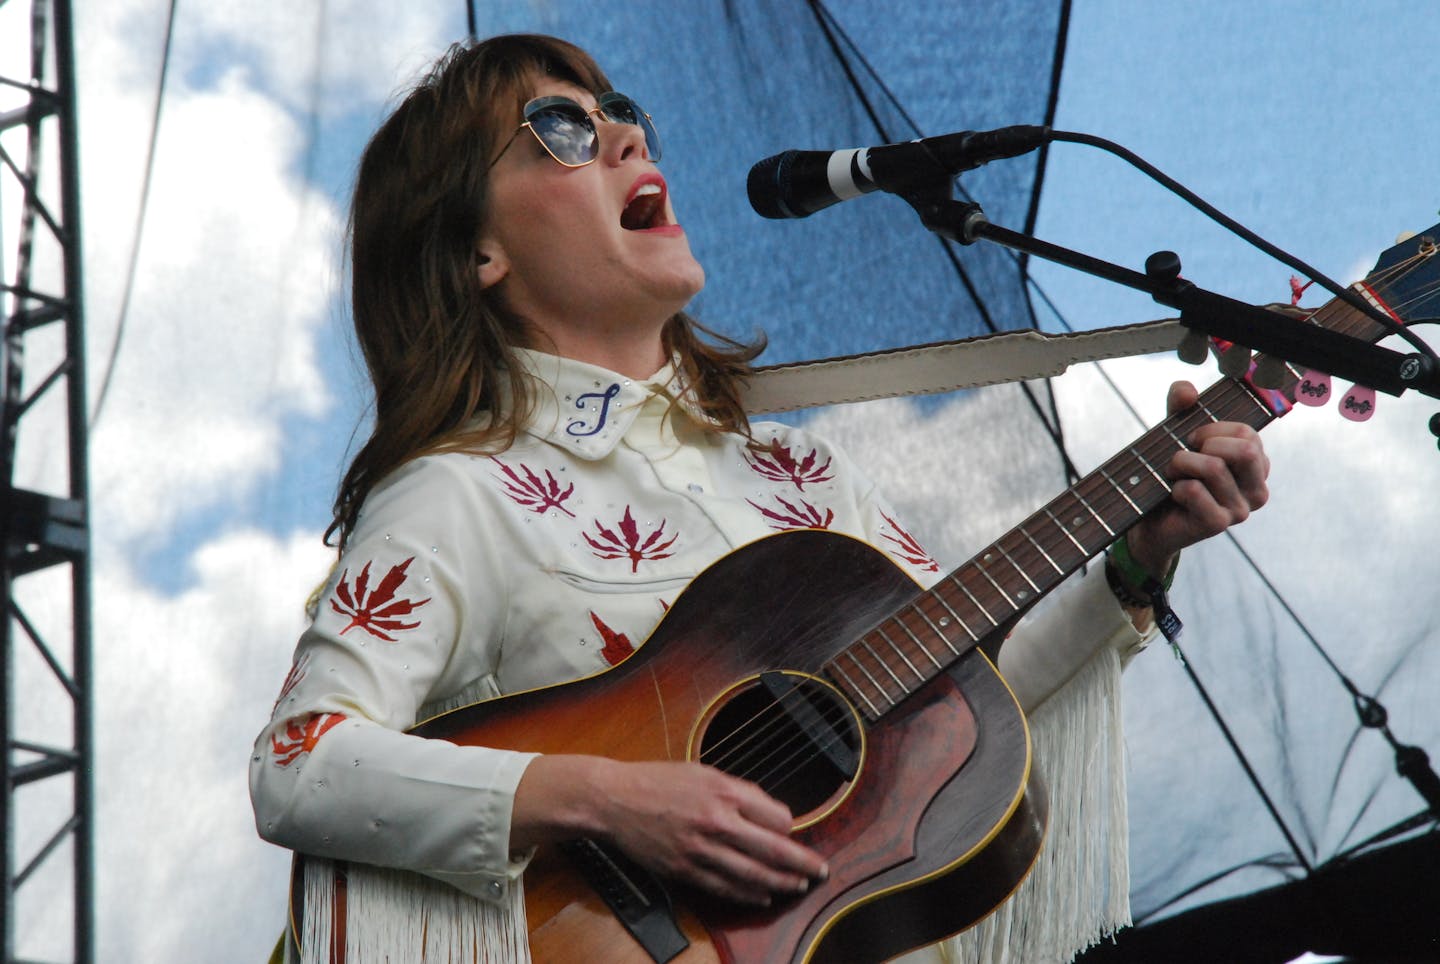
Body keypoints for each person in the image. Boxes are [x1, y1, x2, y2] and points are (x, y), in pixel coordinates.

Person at [249, 33, 1270, 964]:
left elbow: (963, 705)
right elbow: (301, 763)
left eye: (622, 110)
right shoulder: (456, 495)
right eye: (559, 128)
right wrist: (609, 798)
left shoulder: (798, 471)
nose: (622, 134)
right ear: (479, 253)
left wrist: (1135, 560)